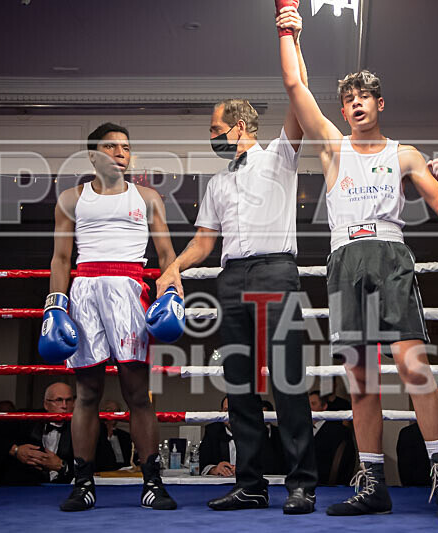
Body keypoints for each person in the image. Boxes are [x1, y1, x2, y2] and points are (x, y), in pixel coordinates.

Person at [276, 6, 438, 521]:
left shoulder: (405, 153)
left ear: (379, 103)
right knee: (360, 380)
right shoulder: (333, 148)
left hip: (389, 256)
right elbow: (295, 86)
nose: (354, 104)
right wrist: (288, 28)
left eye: (362, 97)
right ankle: (372, 484)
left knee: (414, 368)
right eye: (347, 99)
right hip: (344, 259)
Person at [156, 22, 318, 515]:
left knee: (287, 381)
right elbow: (205, 241)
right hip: (230, 281)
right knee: (239, 384)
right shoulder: (217, 185)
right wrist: (171, 269)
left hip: (276, 273)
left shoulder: (279, 157)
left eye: (214, 128)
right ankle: (250, 482)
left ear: (240, 126)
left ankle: (302, 483)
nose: (211, 136)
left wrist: (292, 37)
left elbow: (300, 95)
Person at [46, 123, 178, 511]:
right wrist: (55, 304)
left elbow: (167, 254)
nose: (121, 152)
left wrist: (171, 289)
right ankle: (82, 482)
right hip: (85, 290)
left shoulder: (148, 197)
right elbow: (60, 258)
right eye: (111, 146)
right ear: (93, 155)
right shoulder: (72, 198)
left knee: (138, 392)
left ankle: (152, 482)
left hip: (129, 289)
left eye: (125, 147)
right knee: (86, 392)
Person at [0, 383, 102, 485]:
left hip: (65, 490)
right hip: (23, 489)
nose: (64, 406)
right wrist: (16, 450)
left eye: (68, 401)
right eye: (58, 400)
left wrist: (64, 467)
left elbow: (104, 465)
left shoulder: (84, 426)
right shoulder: (27, 418)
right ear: (46, 404)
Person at [309, 391, 355, 485]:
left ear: (324, 406)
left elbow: (346, 460)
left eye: (313, 404)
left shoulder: (338, 432)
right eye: (307, 404)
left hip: (327, 486)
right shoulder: (300, 430)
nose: (309, 407)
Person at [101, 400, 132, 469]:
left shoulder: (126, 436)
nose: (114, 414)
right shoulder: (96, 434)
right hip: (104, 471)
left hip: (124, 472)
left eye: (117, 411)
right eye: (109, 411)